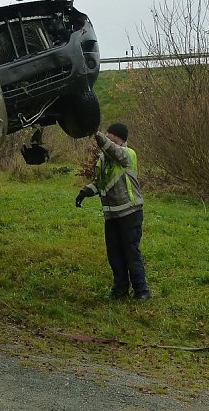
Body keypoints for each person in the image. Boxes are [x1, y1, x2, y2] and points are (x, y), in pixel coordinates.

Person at [76, 122, 151, 300]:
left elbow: (111, 149)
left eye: (109, 133)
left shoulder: (127, 154)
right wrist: (85, 192)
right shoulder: (105, 159)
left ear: (117, 137)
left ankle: (142, 291)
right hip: (112, 215)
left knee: (131, 252)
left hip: (129, 213)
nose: (106, 136)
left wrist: (94, 132)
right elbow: (102, 182)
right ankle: (120, 289)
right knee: (115, 254)